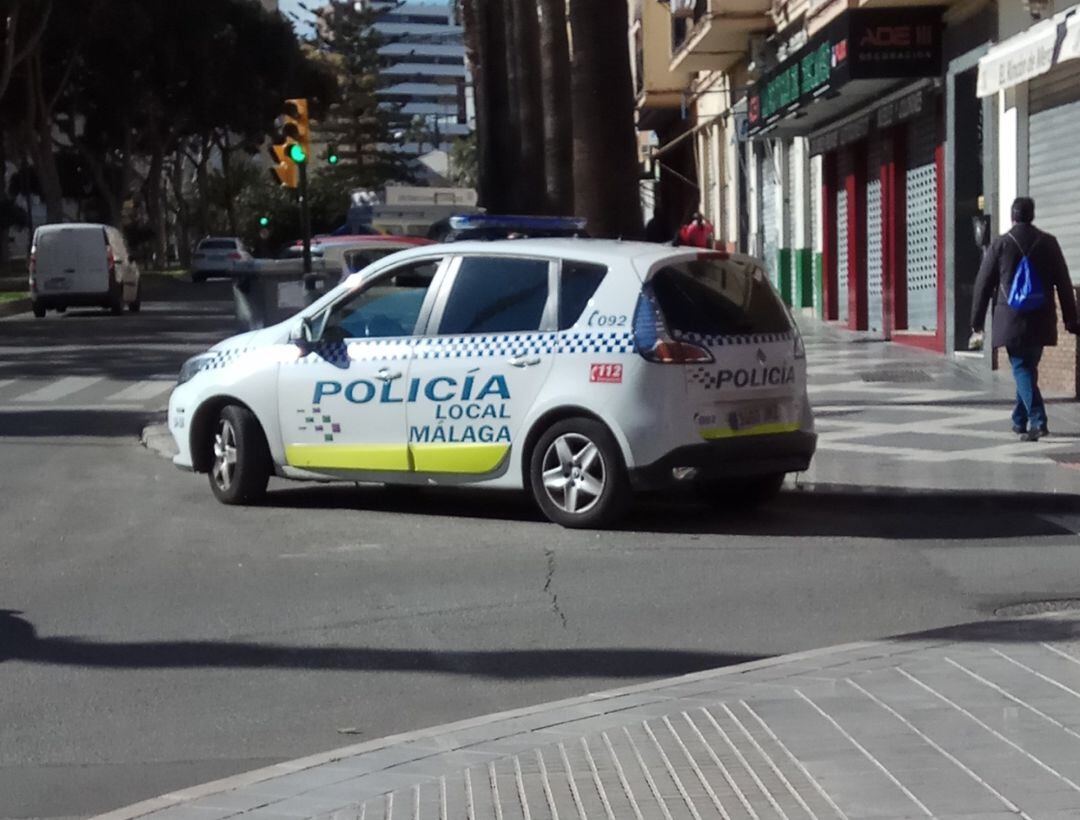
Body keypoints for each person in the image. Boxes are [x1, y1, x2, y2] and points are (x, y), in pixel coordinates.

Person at [970, 196, 1078, 441]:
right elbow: (1063, 282)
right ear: (1032, 215)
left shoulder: (1001, 244)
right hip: (1041, 320)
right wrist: (1071, 320)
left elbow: (983, 284)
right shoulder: (1049, 242)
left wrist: (976, 321)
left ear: (1013, 216)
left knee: (1021, 369)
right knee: (1027, 368)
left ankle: (1038, 421)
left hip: (1011, 319)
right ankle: (1019, 420)